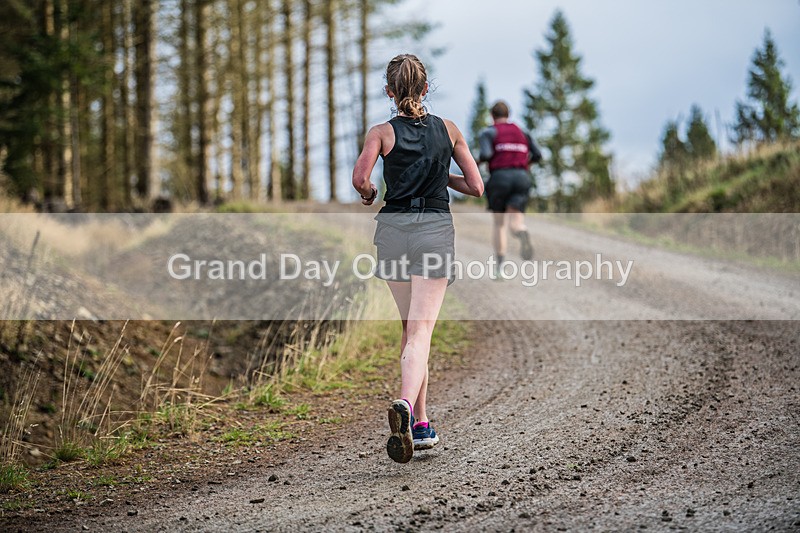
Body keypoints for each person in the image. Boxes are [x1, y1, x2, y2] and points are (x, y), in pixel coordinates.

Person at [352, 53, 484, 463]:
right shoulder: (449, 130)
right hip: (433, 231)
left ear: (390, 93)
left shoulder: (381, 133)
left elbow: (361, 179)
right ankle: (407, 407)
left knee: (409, 330)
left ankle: (422, 424)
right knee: (422, 332)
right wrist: (440, 171)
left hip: (392, 232)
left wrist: (370, 194)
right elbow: (477, 187)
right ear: (426, 89)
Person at [478, 101, 542, 273]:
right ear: (508, 114)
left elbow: (486, 154)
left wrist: (476, 162)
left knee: (499, 224)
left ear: (492, 115)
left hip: (500, 177)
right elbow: (538, 154)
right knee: (516, 221)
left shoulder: (489, 132)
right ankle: (521, 231)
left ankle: (499, 267)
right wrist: (524, 163)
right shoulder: (523, 132)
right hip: (522, 177)